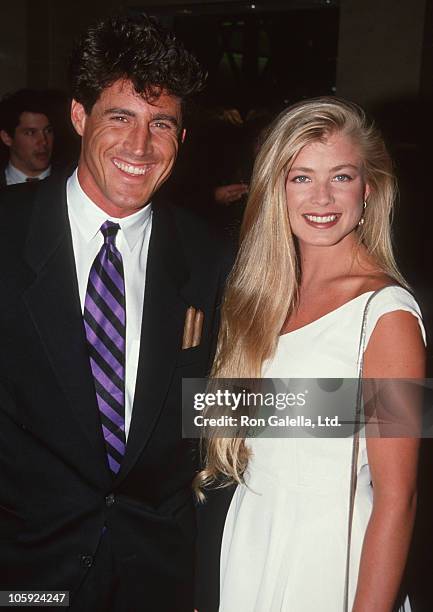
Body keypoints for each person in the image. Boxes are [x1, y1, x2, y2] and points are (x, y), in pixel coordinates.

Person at [0, 12, 230, 612]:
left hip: (158, 574)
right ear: (79, 116)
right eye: (120, 117)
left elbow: (225, 410)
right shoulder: (7, 230)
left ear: (181, 137)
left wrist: (386, 410)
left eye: (162, 124)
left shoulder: (211, 258)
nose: (139, 146)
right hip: (26, 572)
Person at [196, 97, 426, 611]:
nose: (321, 196)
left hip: (329, 559)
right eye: (300, 177)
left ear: (369, 188)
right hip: (252, 544)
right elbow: (235, 430)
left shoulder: (386, 315)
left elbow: (398, 496)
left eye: (341, 176)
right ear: (275, 188)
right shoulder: (259, 298)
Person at [0, 89, 54, 186]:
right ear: (7, 137)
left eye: (48, 131)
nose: (44, 142)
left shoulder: (70, 180)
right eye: (30, 133)